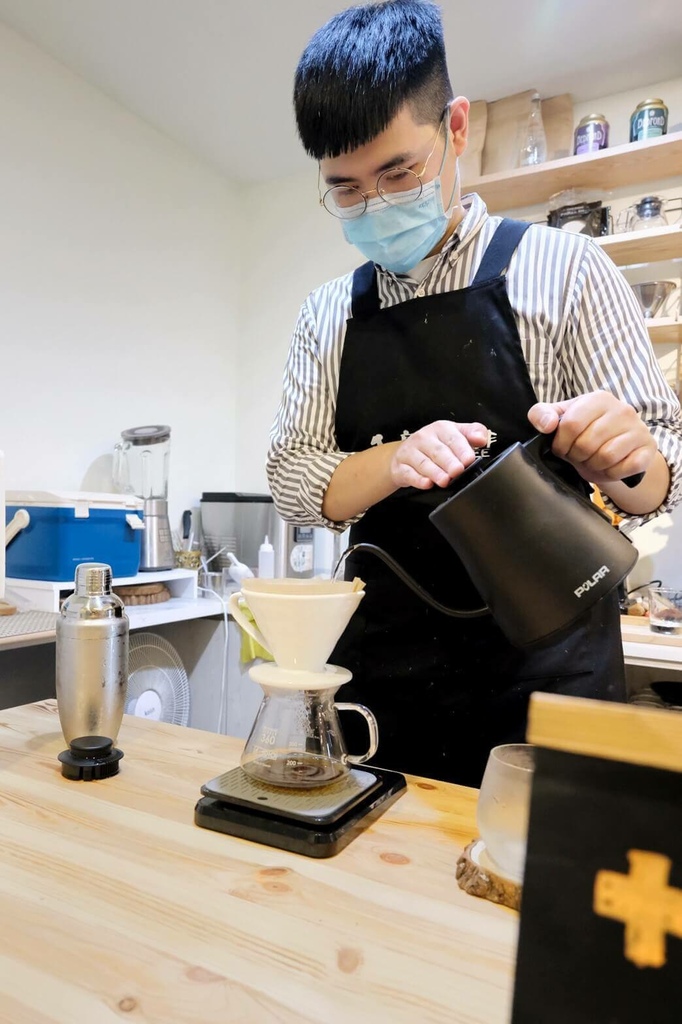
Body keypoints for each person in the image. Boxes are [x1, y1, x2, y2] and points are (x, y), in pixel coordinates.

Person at [267, 0, 682, 786]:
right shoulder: (326, 315)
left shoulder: (566, 270)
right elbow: (292, 480)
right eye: (346, 190)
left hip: (548, 667)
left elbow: (659, 479)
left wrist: (631, 458)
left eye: (400, 171)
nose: (377, 204)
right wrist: (395, 458)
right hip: (383, 667)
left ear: (456, 130)